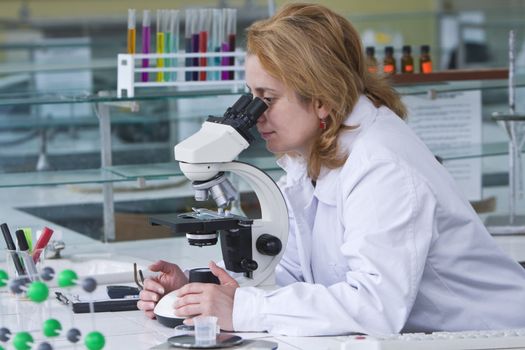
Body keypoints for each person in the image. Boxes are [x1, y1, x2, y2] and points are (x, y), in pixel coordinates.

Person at [138, 3, 525, 336]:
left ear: (321, 100)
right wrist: (202, 288)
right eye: (251, 97)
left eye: (266, 99)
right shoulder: (311, 156)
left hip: (494, 335)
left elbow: (374, 307)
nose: (254, 116)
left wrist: (242, 310)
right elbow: (292, 271)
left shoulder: (381, 166)